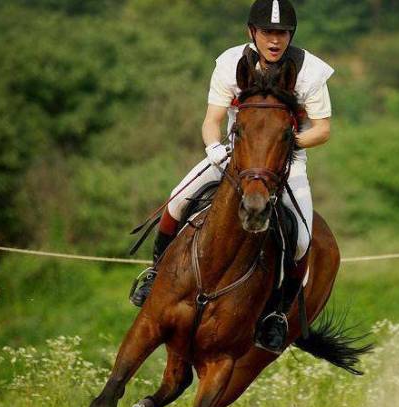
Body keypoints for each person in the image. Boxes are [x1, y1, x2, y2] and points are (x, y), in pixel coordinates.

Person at [130, 0, 334, 353]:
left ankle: (276, 314)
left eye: (282, 33)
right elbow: (212, 120)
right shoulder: (229, 63)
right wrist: (213, 148)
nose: (275, 40)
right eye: (268, 32)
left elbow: (323, 130)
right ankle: (155, 274)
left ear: (290, 36)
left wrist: (282, 145)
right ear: (252, 32)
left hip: (287, 160)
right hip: (232, 152)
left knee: (301, 240)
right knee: (178, 199)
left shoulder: (309, 71)